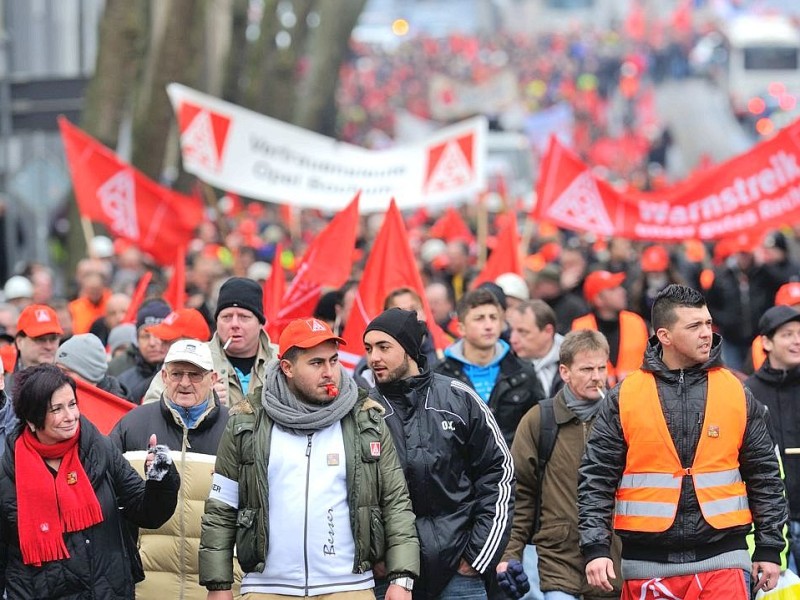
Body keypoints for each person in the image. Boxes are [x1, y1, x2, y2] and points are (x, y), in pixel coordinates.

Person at [578, 285, 787, 598]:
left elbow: (765, 475)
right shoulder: (626, 396)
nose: (706, 333)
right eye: (694, 326)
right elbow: (597, 477)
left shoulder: (736, 391)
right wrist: (596, 548)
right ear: (665, 335)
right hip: (646, 565)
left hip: (724, 561)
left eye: (707, 323)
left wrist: (769, 548)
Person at [199, 317, 419, 598]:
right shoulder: (247, 422)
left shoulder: (366, 419)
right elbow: (222, 506)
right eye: (316, 363)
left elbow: (395, 502)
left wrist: (401, 578)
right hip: (267, 587)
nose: (329, 372)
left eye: (334, 360)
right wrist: (218, 585)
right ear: (287, 368)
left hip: (348, 587)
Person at [364, 307, 514, 599]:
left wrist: (476, 557)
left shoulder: (459, 398)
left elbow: (499, 474)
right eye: (369, 349)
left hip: (460, 570)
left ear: (409, 349)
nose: (374, 358)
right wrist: (374, 556)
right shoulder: (365, 411)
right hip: (391, 577)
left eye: (384, 347)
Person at [0, 363, 180, 598]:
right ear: (32, 421)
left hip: (105, 591)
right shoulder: (8, 472)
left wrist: (161, 476)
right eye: (56, 409)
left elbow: (147, 512)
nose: (70, 416)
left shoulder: (100, 448)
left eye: (72, 404)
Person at [497, 330, 621, 599]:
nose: (597, 376)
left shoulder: (622, 418)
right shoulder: (540, 420)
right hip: (560, 559)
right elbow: (520, 494)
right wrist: (511, 553)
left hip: (614, 560)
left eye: (601, 367)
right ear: (564, 372)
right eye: (587, 369)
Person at [111, 339, 231, 600]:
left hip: (217, 588)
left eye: (195, 375)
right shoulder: (132, 425)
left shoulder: (237, 430)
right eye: (177, 374)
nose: (185, 383)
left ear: (212, 378)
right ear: (164, 376)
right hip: (146, 586)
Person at [436, 288, 544, 446]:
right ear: (461, 329)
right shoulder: (439, 374)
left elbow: (540, 428)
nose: (488, 326)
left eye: (493, 318)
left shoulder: (522, 372)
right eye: (479, 318)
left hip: (512, 467)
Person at [745, 305, 800, 575]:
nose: (797, 341)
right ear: (766, 342)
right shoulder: (748, 393)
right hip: (773, 528)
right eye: (788, 334)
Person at [571, 270, 648, 386]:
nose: (622, 291)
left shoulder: (637, 322)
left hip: (636, 396)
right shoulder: (580, 328)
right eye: (613, 289)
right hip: (597, 399)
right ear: (598, 300)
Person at [209, 277, 276, 409]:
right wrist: (197, 402)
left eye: (244, 317)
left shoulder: (282, 360)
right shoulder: (196, 360)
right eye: (226, 317)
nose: (234, 324)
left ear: (260, 323)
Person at [507, 300, 565, 398]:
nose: (513, 340)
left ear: (548, 331)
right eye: (512, 330)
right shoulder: (506, 367)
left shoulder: (576, 360)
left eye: (522, 332)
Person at [118, 299, 172, 404]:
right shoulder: (122, 383)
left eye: (159, 335)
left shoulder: (185, 379)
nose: (152, 343)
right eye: (145, 336)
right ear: (136, 340)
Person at [55, 333, 127, 398]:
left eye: (65, 372)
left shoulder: (116, 407)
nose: (58, 377)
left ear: (88, 374)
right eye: (57, 370)